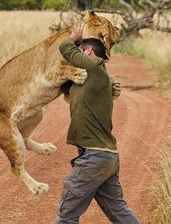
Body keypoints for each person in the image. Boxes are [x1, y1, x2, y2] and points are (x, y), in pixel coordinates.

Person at [54, 23, 139, 224]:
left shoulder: (94, 68)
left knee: (66, 215)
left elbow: (66, 49)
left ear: (89, 52)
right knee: (118, 210)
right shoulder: (92, 79)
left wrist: (73, 38)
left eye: (81, 51)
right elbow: (65, 86)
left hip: (93, 158)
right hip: (107, 157)